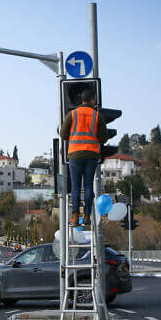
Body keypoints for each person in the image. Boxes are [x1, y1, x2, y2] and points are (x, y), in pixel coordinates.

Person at [60, 87, 108, 226]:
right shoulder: (97, 115)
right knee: (88, 186)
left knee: (75, 187)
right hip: (91, 155)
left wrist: (74, 137)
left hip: (75, 154)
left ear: (82, 100)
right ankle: (87, 216)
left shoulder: (72, 114)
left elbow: (63, 134)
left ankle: (75, 216)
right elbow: (103, 138)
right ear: (92, 100)